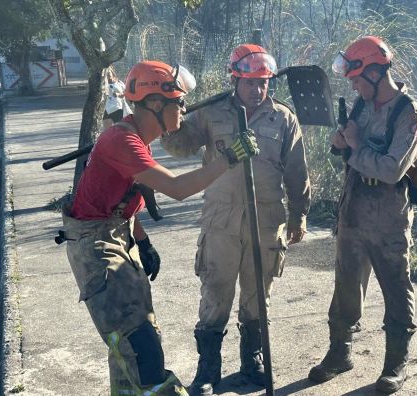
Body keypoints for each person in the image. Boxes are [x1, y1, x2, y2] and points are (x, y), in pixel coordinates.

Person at [59, 60, 259, 396]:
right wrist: (230, 158)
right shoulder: (122, 141)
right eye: (179, 102)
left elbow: (118, 200)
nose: (184, 108)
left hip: (112, 238)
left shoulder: (132, 136)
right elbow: (178, 188)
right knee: (141, 349)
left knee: (132, 346)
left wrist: (143, 241)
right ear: (155, 104)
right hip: (96, 249)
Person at [160, 44, 310, 395]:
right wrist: (171, 117)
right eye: (250, 83)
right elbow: (180, 146)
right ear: (235, 79)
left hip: (267, 220)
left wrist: (299, 215)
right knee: (215, 293)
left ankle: (251, 362)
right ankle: (208, 370)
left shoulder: (283, 118)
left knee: (258, 296)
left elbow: (297, 171)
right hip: (222, 221)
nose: (258, 91)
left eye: (263, 83)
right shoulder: (211, 113)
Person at [308, 36, 417, 394]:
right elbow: (341, 148)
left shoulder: (410, 114)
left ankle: (395, 365)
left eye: (358, 79)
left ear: (376, 73)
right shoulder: (361, 105)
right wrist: (341, 141)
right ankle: (339, 353)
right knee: (345, 287)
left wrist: (356, 146)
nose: (355, 87)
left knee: (396, 287)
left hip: (389, 219)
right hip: (354, 213)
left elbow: (392, 169)